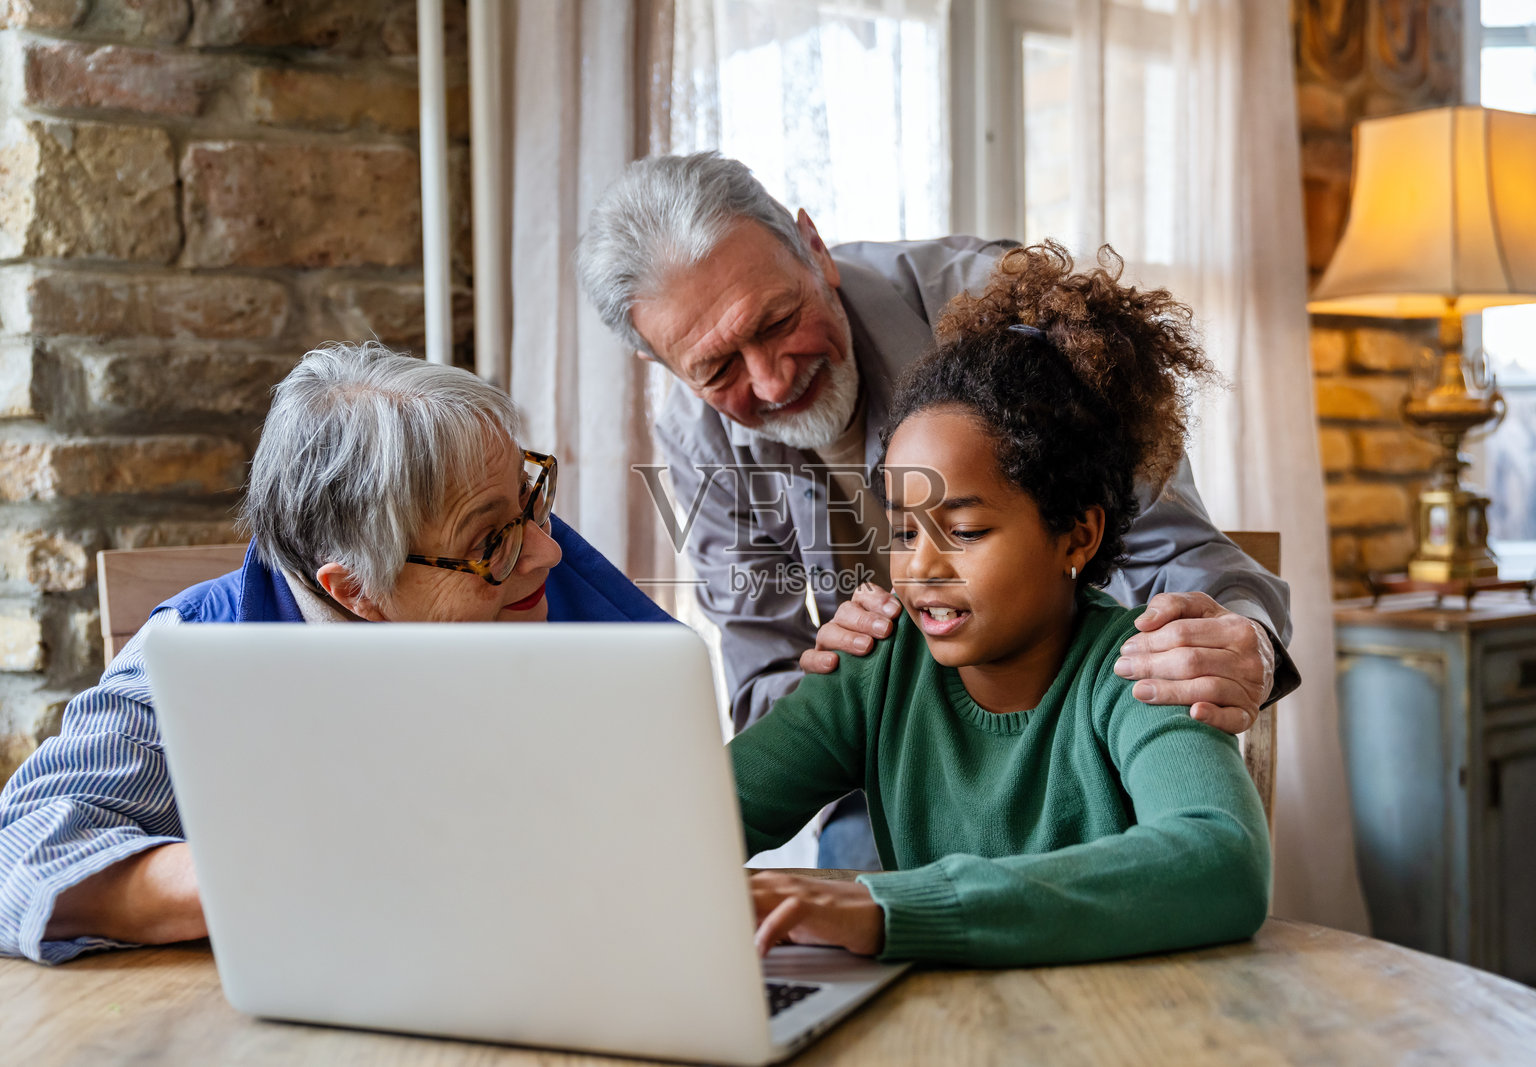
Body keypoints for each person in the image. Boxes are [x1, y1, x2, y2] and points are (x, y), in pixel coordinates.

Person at [0, 341, 864, 965]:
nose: (545, 552)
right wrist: (286, 863)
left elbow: (679, 811)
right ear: (353, 590)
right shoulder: (201, 649)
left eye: (532, 502)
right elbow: (19, 855)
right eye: (488, 540)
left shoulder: (534, 566)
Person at [576, 153, 1296, 866]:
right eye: (717, 367)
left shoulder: (1005, 313)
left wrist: (1246, 644)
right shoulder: (698, 441)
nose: (770, 380)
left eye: (776, 320)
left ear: (814, 249)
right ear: (662, 363)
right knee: (858, 851)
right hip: (890, 770)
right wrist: (853, 676)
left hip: (1083, 730)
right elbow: (764, 689)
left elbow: (1172, 551)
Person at [731, 244, 1271, 964]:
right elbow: (699, 819)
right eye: (900, 530)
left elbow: (1223, 859)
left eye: (965, 530)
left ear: (1076, 533)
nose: (919, 566)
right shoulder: (877, 670)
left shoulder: (1140, 674)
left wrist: (891, 905)